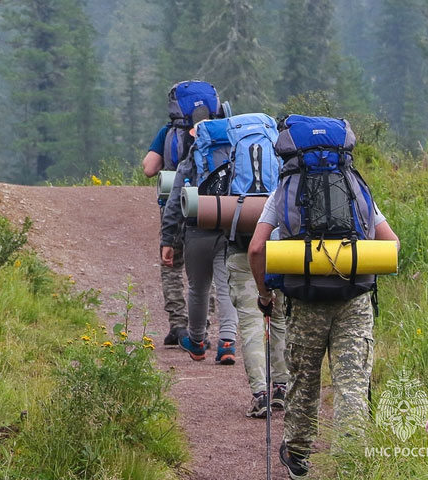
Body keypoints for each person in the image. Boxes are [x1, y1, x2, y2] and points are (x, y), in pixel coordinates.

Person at [248, 193, 399, 479]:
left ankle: (298, 456)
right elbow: (393, 244)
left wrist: (265, 294)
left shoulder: (285, 189)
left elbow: (256, 249)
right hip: (354, 301)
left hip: (306, 302)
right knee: (352, 385)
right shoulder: (355, 185)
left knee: (304, 381)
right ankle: (350, 462)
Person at [160, 125, 239, 364]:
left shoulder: (189, 163)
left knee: (198, 288)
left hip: (196, 230)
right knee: (226, 286)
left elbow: (174, 202)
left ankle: (196, 342)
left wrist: (168, 240)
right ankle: (227, 342)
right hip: (227, 229)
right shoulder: (236, 158)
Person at [226, 235, 288, 417]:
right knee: (280, 320)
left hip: (241, 254)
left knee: (251, 325)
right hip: (281, 252)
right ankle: (280, 388)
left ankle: (261, 396)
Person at [143, 125, 189, 345]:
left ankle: (179, 327)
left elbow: (149, 169)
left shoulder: (170, 130)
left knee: (171, 266)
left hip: (175, 208)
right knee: (207, 271)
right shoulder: (219, 131)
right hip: (211, 208)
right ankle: (203, 327)